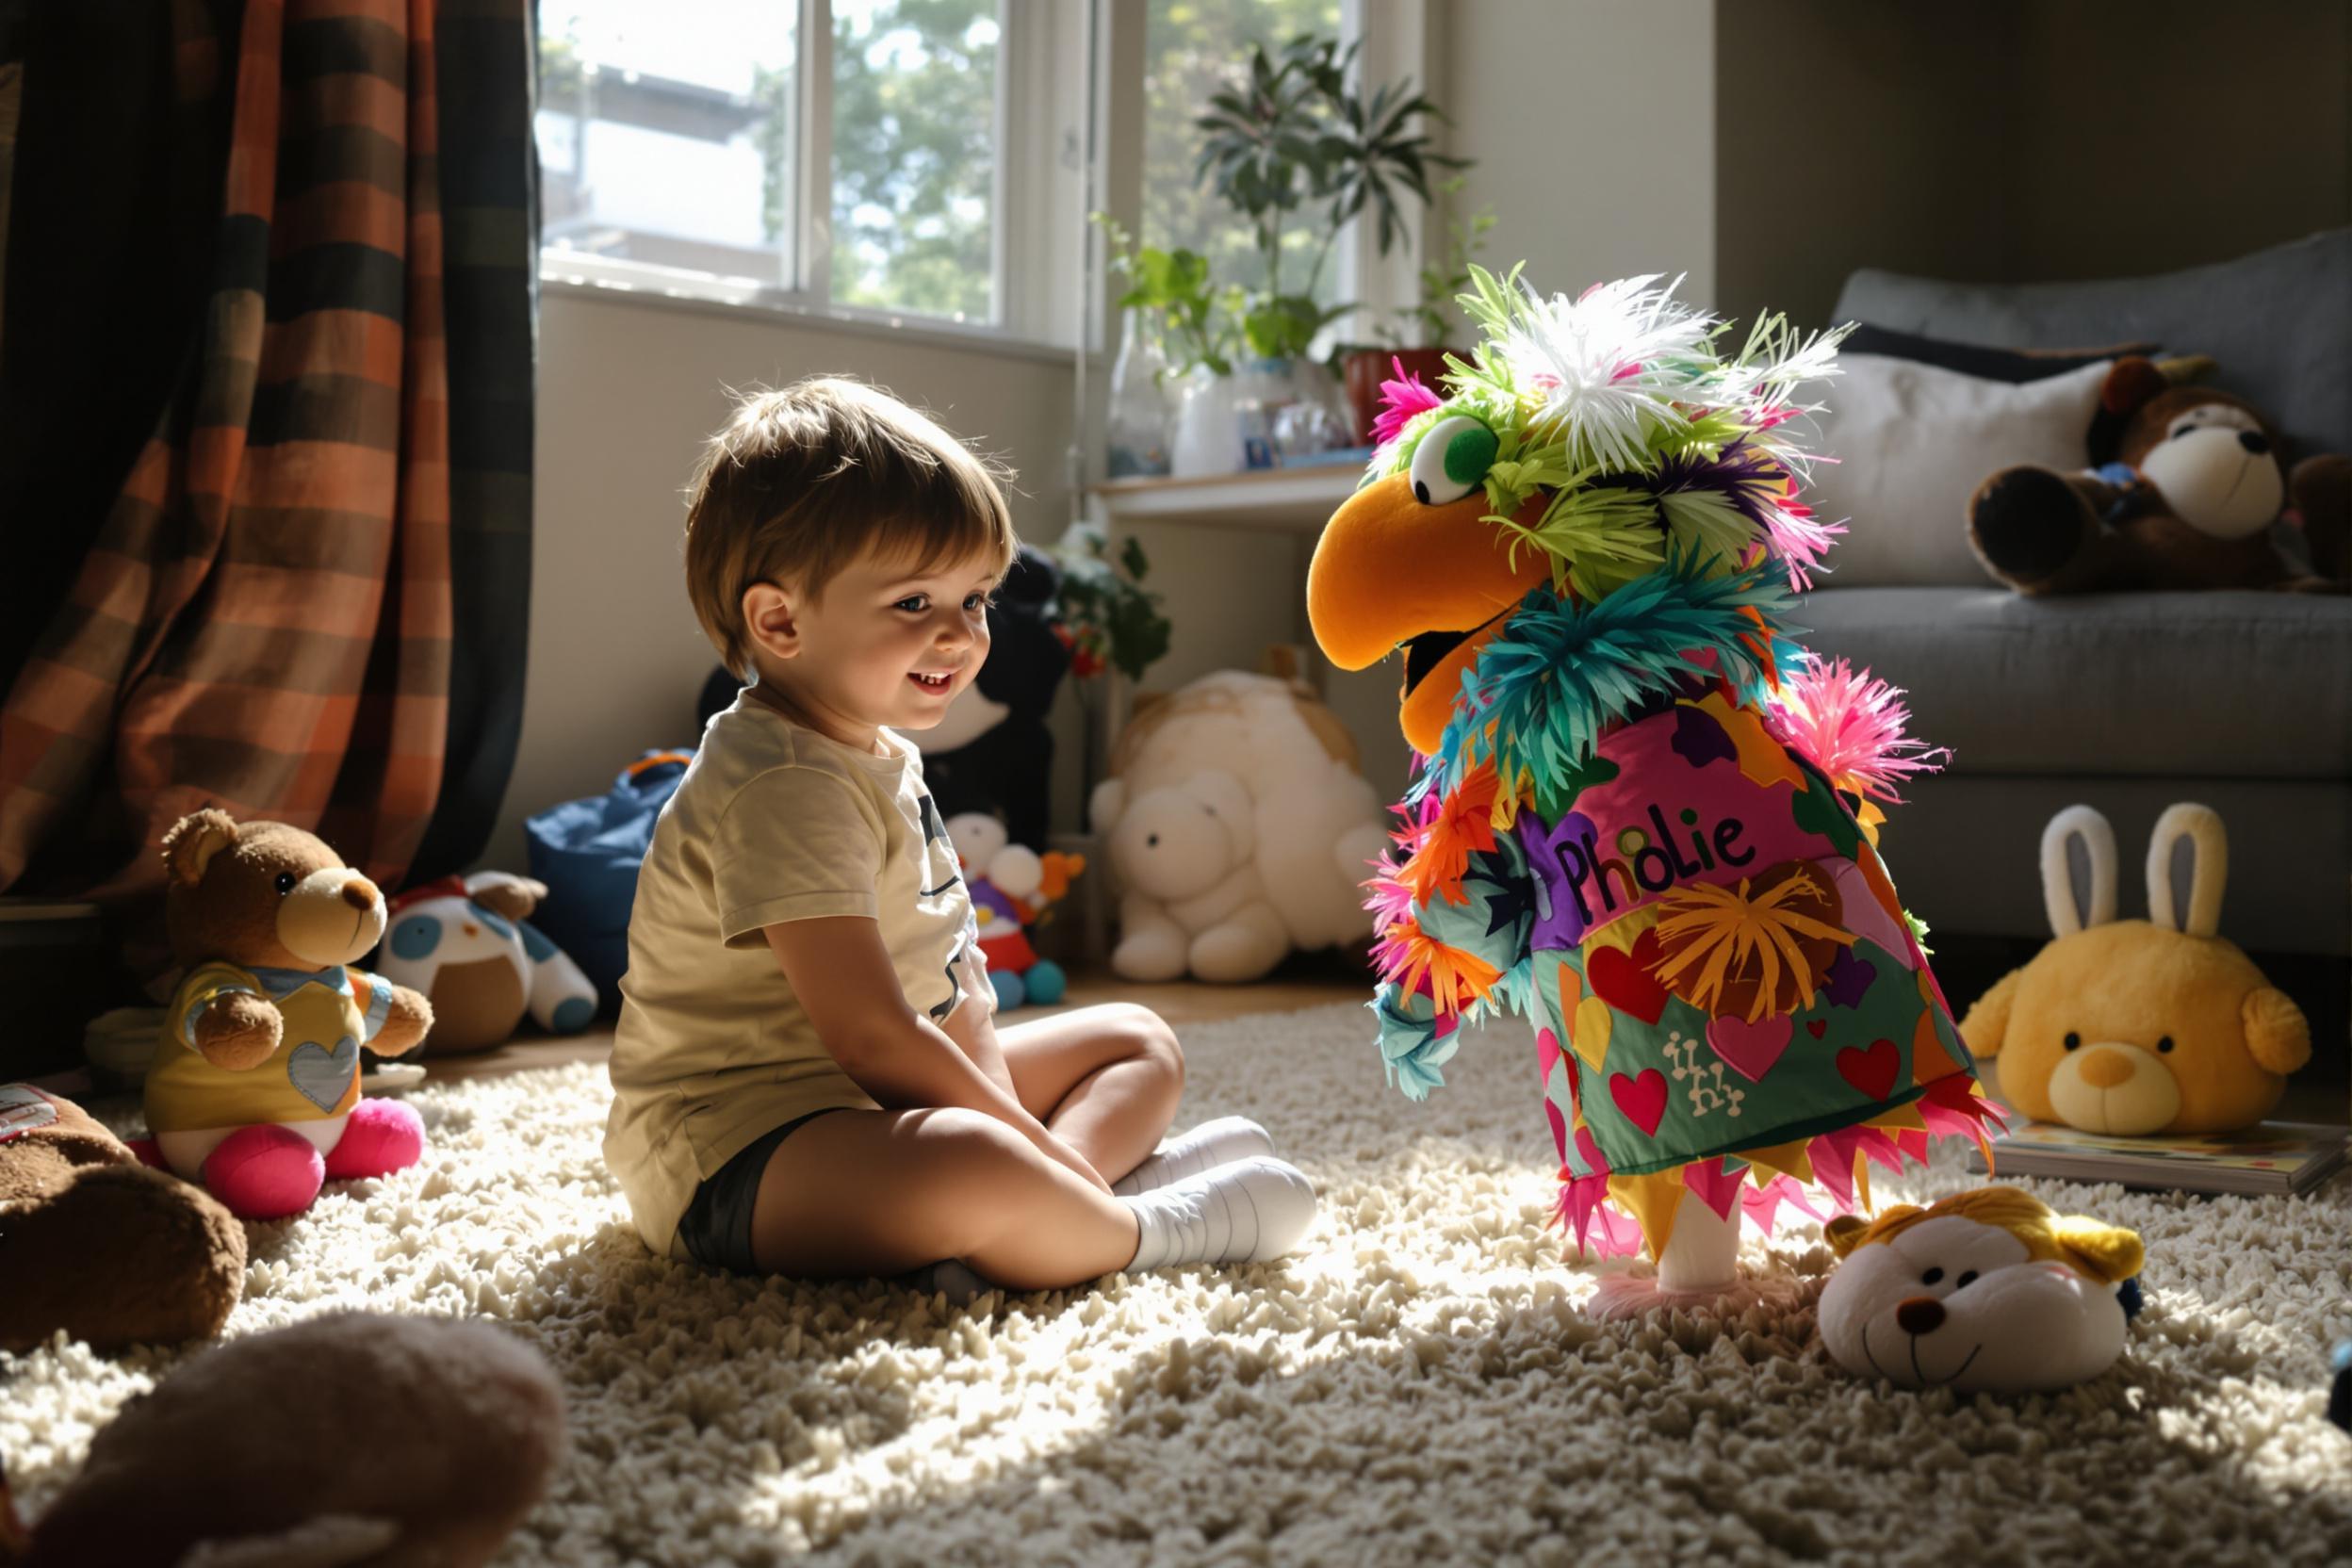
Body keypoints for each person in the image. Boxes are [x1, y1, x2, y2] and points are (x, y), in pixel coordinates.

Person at [602, 376, 1316, 1292]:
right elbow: (873, 1036)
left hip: (865, 1105)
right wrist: (1022, 1144)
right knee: (974, 1158)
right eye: (913, 603)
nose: (961, 634)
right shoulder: (781, 781)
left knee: (1138, 1040)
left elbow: (947, 991)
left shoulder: (873, 746)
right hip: (735, 1153)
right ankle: (1133, 1225)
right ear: (779, 618)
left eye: (975, 598)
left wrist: (1015, 1128)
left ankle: (1043, 1217)